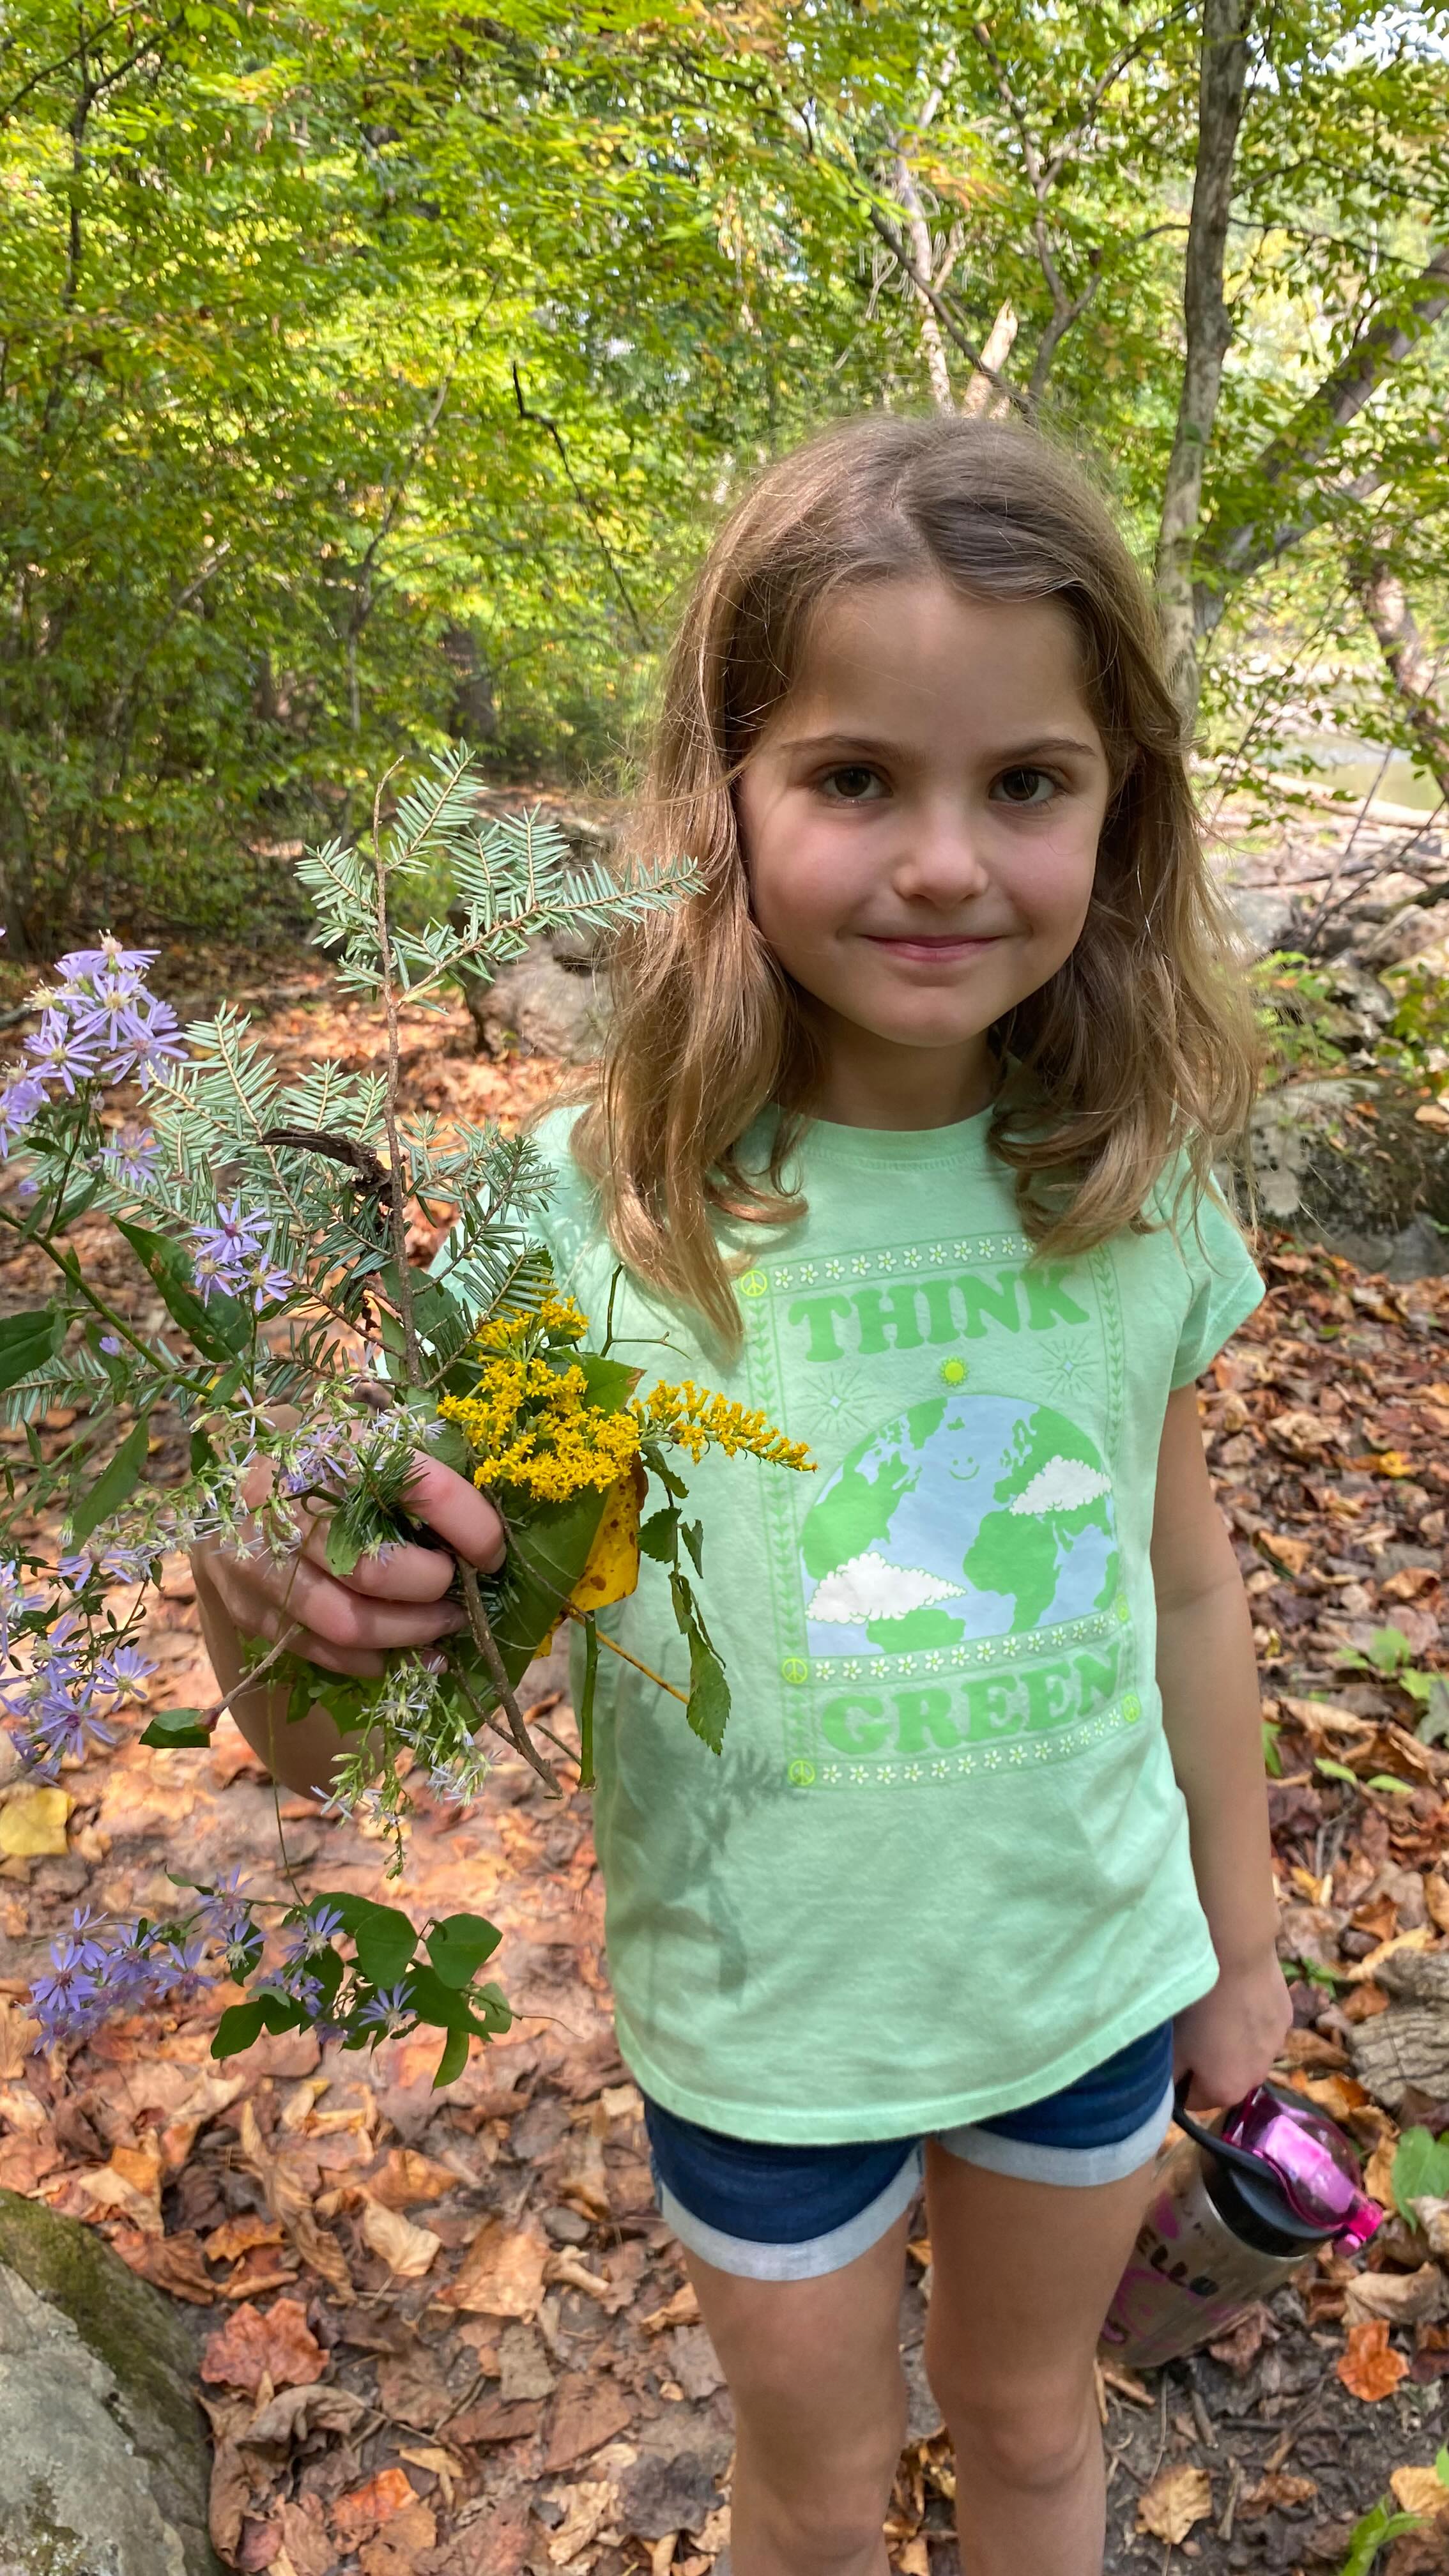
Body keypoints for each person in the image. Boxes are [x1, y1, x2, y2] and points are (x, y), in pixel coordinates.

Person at [197, 414, 1291, 2576]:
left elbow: (1178, 1590)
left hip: (1077, 1985)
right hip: (766, 2028)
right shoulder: (600, 1223)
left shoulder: (1131, 1194)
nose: (945, 863)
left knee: (1037, 2430)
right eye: (856, 777)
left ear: (1118, 807)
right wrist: (278, 1595)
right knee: (807, 2482)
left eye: (1027, 784)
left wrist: (1232, 1953)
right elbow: (333, 1730)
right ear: (727, 795)